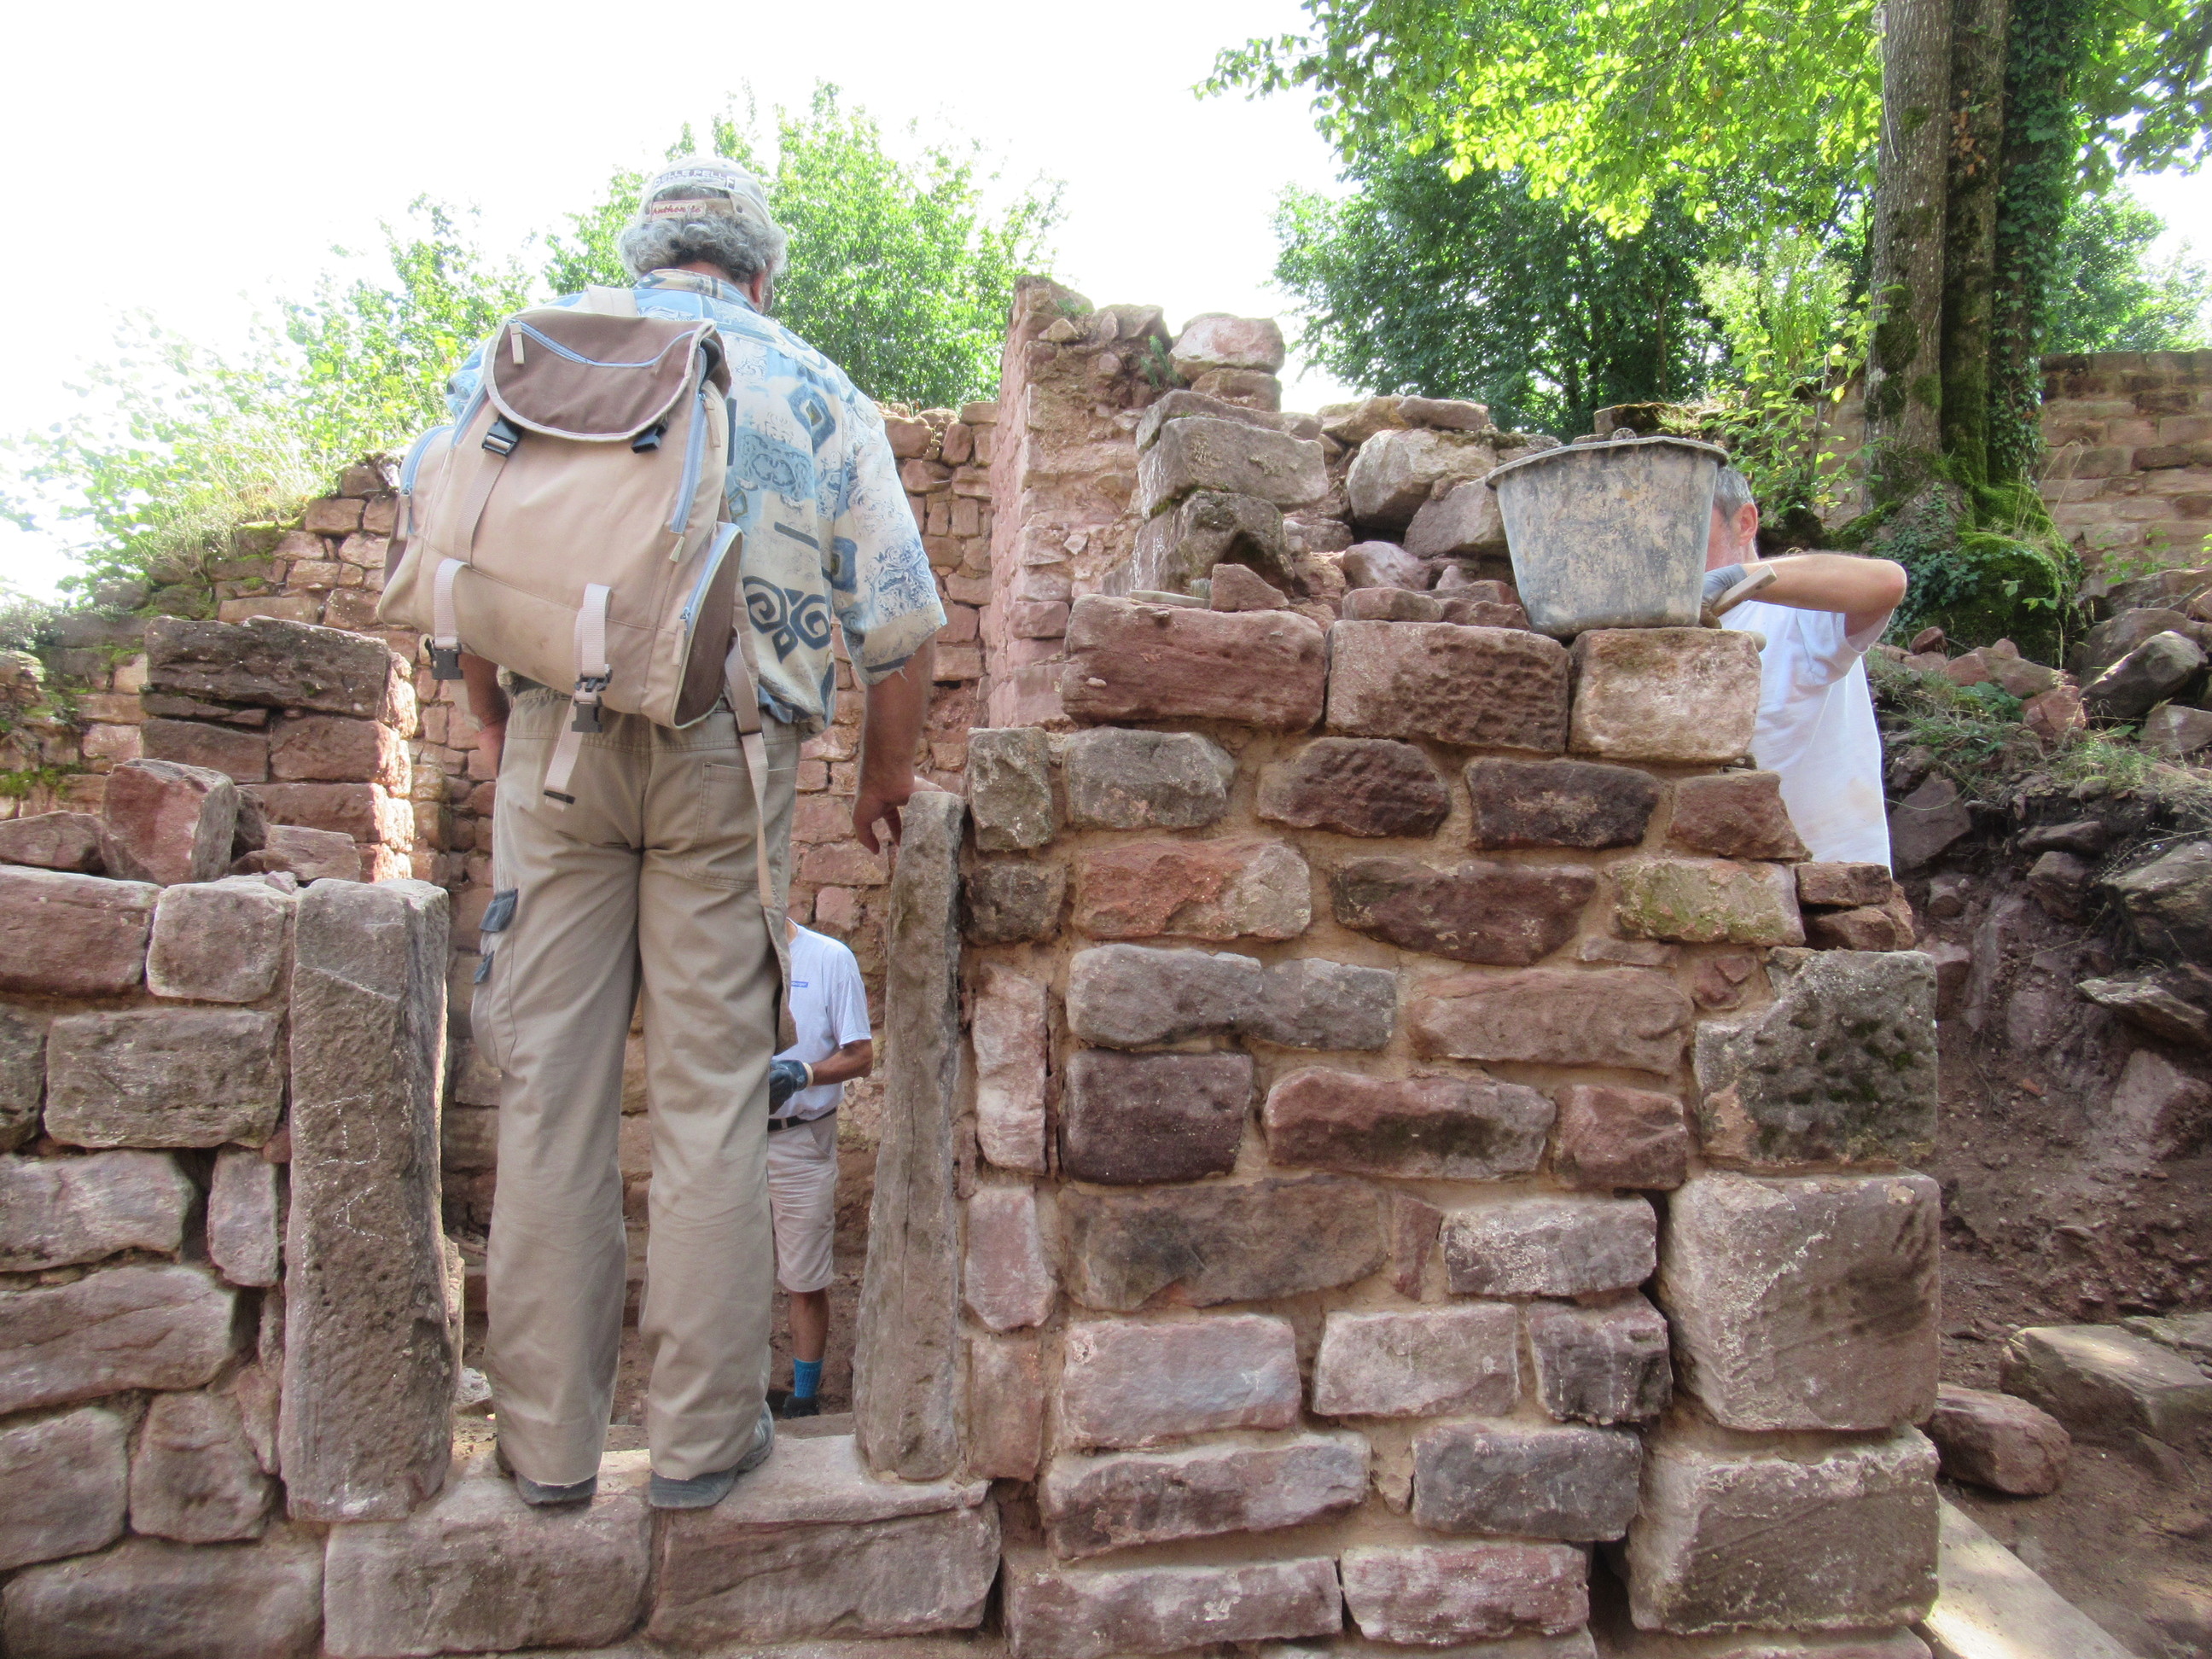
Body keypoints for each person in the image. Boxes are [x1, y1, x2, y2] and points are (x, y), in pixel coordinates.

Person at [450, 156, 944, 1511]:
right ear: (759, 271)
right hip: (732, 755)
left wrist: (494, 725)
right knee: (718, 1099)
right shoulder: (818, 388)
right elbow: (901, 624)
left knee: (548, 1093)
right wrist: (883, 779)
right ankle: (705, 1442)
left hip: (555, 747)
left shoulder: (535, 352)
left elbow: (454, 558)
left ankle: (545, 1451)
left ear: (643, 254)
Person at [1703, 465, 1908, 865]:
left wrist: (1734, 578)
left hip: (1829, 875)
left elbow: (1887, 582)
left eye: (1690, 528)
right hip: (1725, 876)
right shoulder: (1654, 627)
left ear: (1744, 523)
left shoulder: (1798, 611)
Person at [763, 917, 873, 1418]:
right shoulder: (719, 953)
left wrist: (803, 1073)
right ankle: (738, 1392)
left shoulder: (829, 958)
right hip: (730, 1137)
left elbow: (861, 1056)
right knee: (727, 1273)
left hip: (799, 1138)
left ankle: (804, 1398)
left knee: (804, 1278)